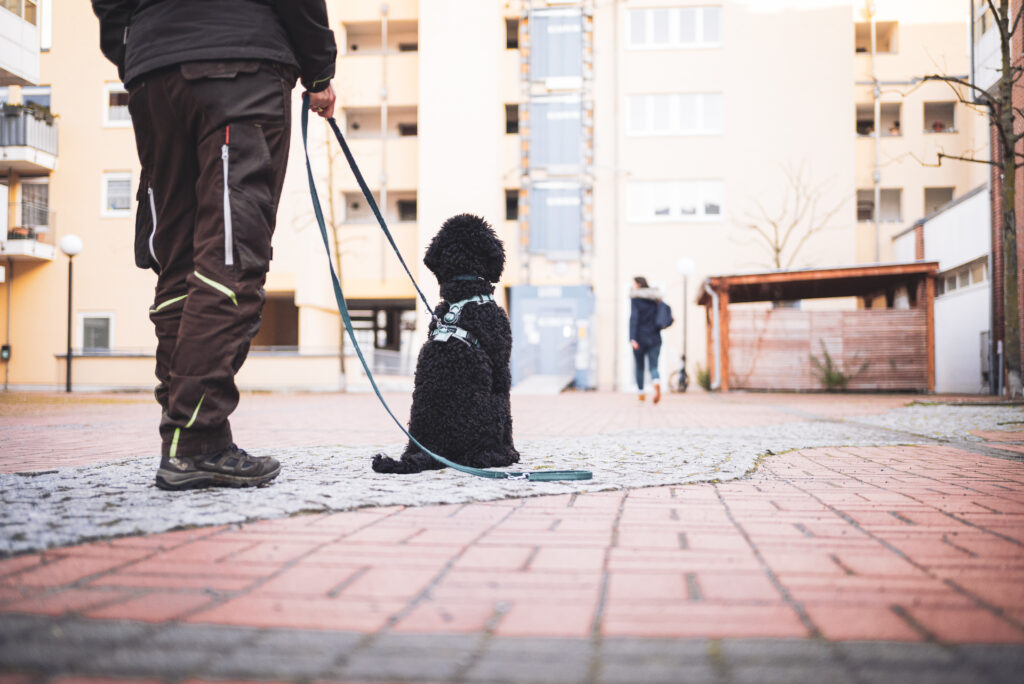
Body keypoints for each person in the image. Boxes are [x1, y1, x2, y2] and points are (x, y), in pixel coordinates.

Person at [91, 1, 337, 490]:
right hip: (239, 69)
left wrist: (137, 52)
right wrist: (319, 72)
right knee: (231, 256)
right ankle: (197, 443)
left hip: (152, 74)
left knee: (179, 264)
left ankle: (193, 438)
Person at [629, 276, 664, 404]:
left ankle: (641, 393)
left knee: (639, 366)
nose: (632, 286)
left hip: (640, 338)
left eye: (633, 284)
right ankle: (656, 381)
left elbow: (634, 318)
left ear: (638, 284)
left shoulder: (636, 298)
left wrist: (632, 338)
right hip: (655, 337)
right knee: (654, 366)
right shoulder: (656, 298)